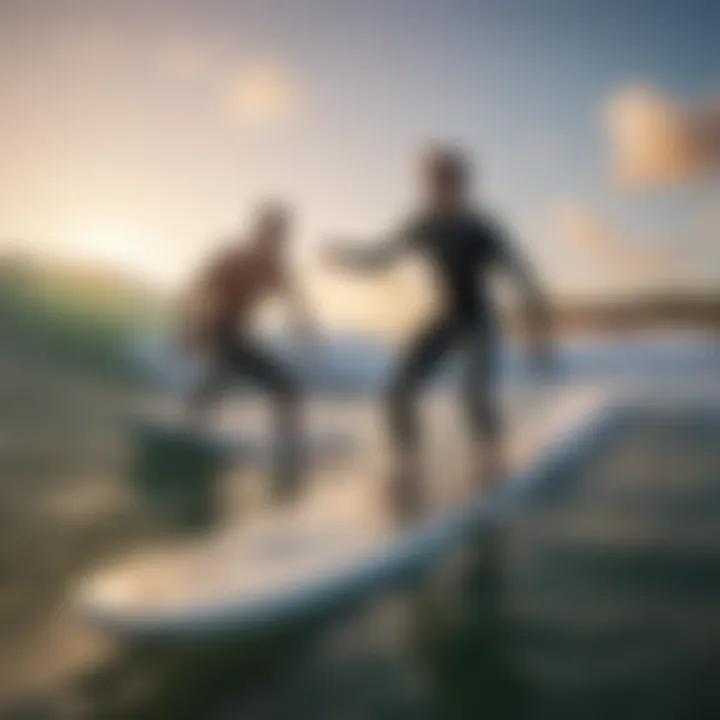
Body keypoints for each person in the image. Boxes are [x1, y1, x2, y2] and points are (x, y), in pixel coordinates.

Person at [324, 145, 552, 518]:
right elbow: (380, 258)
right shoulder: (422, 224)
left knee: (473, 394)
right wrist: (345, 257)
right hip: (444, 319)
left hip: (478, 321)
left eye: (446, 181)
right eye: (430, 182)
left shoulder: (482, 228)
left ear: (463, 185)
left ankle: (490, 458)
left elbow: (524, 279)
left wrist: (539, 338)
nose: (437, 189)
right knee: (397, 389)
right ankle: (408, 465)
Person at [180, 201, 315, 499]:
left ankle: (286, 449)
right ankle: (188, 430)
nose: (275, 241)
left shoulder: (277, 268)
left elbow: (296, 300)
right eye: (271, 233)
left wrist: (304, 325)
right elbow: (195, 288)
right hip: (212, 327)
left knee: (286, 386)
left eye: (281, 236)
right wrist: (187, 326)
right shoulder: (232, 256)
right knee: (222, 370)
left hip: (239, 337)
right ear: (258, 231)